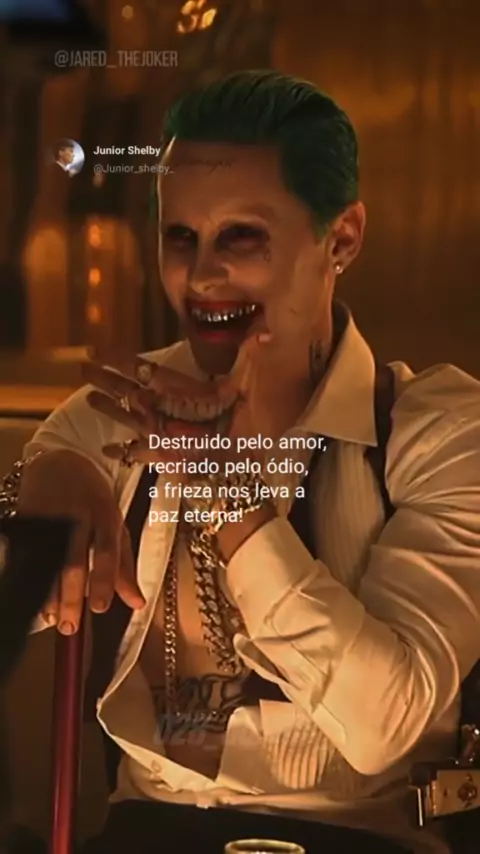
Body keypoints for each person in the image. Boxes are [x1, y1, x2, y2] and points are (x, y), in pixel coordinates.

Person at [3, 70, 480, 853]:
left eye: (241, 238)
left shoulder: (440, 430)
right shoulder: (110, 415)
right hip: (146, 834)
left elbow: (383, 724)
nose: (200, 278)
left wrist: (227, 494)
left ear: (342, 239)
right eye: (181, 238)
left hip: (358, 841)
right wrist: (30, 492)